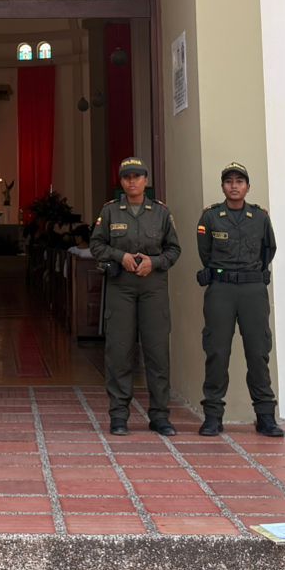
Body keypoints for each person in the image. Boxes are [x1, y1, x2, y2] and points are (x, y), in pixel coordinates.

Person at [90, 156, 181, 436]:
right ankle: (119, 415)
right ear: (121, 181)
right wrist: (121, 256)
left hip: (152, 287)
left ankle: (160, 415)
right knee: (119, 352)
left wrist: (154, 262)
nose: (132, 181)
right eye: (127, 177)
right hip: (122, 287)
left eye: (137, 176)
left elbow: (174, 250)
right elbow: (96, 244)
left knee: (157, 353)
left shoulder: (161, 213)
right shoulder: (110, 212)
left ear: (146, 181)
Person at [196, 161, 283, 437]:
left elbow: (269, 249)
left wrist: (251, 273)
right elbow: (205, 252)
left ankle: (265, 416)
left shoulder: (259, 217)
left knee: (258, 352)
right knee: (217, 351)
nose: (234, 186)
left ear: (247, 186)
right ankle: (212, 416)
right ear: (223, 186)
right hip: (221, 289)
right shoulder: (210, 217)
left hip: (252, 290)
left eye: (239, 181)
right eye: (229, 181)